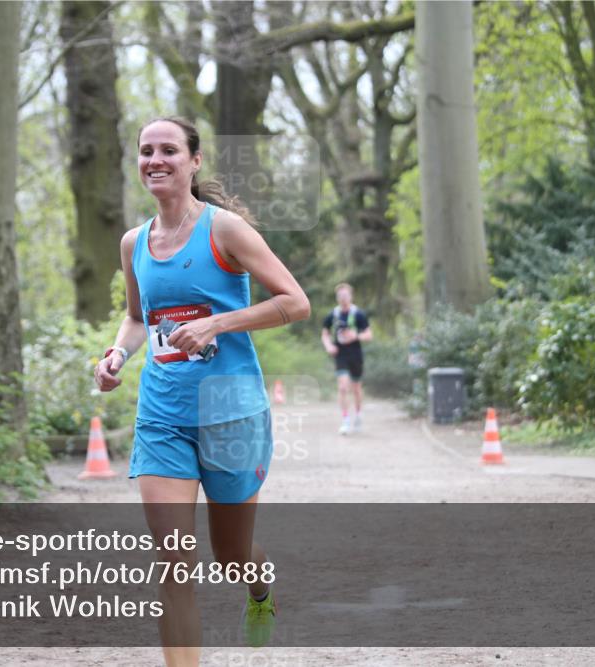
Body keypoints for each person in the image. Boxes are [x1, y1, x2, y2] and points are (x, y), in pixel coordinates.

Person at [94, 116, 310, 665]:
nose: (155, 160)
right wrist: (117, 354)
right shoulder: (133, 243)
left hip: (230, 410)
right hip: (163, 413)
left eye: (169, 150)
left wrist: (218, 323)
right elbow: (138, 318)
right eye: (146, 151)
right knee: (173, 563)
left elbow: (295, 302)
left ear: (194, 161)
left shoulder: (225, 231)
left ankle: (260, 593)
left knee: (232, 557)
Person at [320, 283, 372, 434]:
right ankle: (345, 420)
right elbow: (324, 334)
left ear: (351, 296)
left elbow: (369, 335)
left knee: (356, 388)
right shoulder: (333, 315)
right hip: (340, 355)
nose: (343, 298)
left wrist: (356, 335)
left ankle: (358, 414)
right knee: (343, 387)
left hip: (356, 354)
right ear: (337, 298)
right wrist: (328, 346)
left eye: (345, 295)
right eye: (340, 296)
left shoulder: (358, 314)